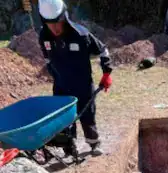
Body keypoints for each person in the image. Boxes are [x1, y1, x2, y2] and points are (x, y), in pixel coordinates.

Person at [37, 0, 113, 158]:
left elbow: (103, 50)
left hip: (82, 84)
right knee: (64, 119)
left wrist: (106, 73)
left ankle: (93, 144)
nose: (55, 28)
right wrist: (52, 71)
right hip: (61, 85)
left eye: (57, 23)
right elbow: (47, 58)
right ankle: (69, 149)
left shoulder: (81, 34)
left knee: (87, 115)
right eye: (50, 24)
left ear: (64, 17)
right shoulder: (44, 36)